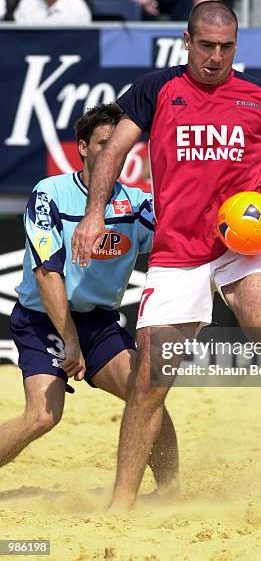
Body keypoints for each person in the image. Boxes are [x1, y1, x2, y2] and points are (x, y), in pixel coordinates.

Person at [72, 1, 261, 511]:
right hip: (178, 249)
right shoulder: (157, 89)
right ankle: (121, 503)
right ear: (187, 41)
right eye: (207, 45)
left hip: (244, 240)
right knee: (150, 376)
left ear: (236, 46)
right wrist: (94, 213)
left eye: (226, 47)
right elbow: (114, 150)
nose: (216, 57)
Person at [1, 103, 178, 498]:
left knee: (146, 392)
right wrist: (68, 338)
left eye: (118, 144)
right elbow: (47, 273)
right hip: (44, 319)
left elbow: (178, 240)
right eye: (102, 144)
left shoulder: (136, 204)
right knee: (42, 417)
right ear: (82, 147)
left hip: (99, 324)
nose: (111, 152)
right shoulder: (50, 193)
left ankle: (170, 492)